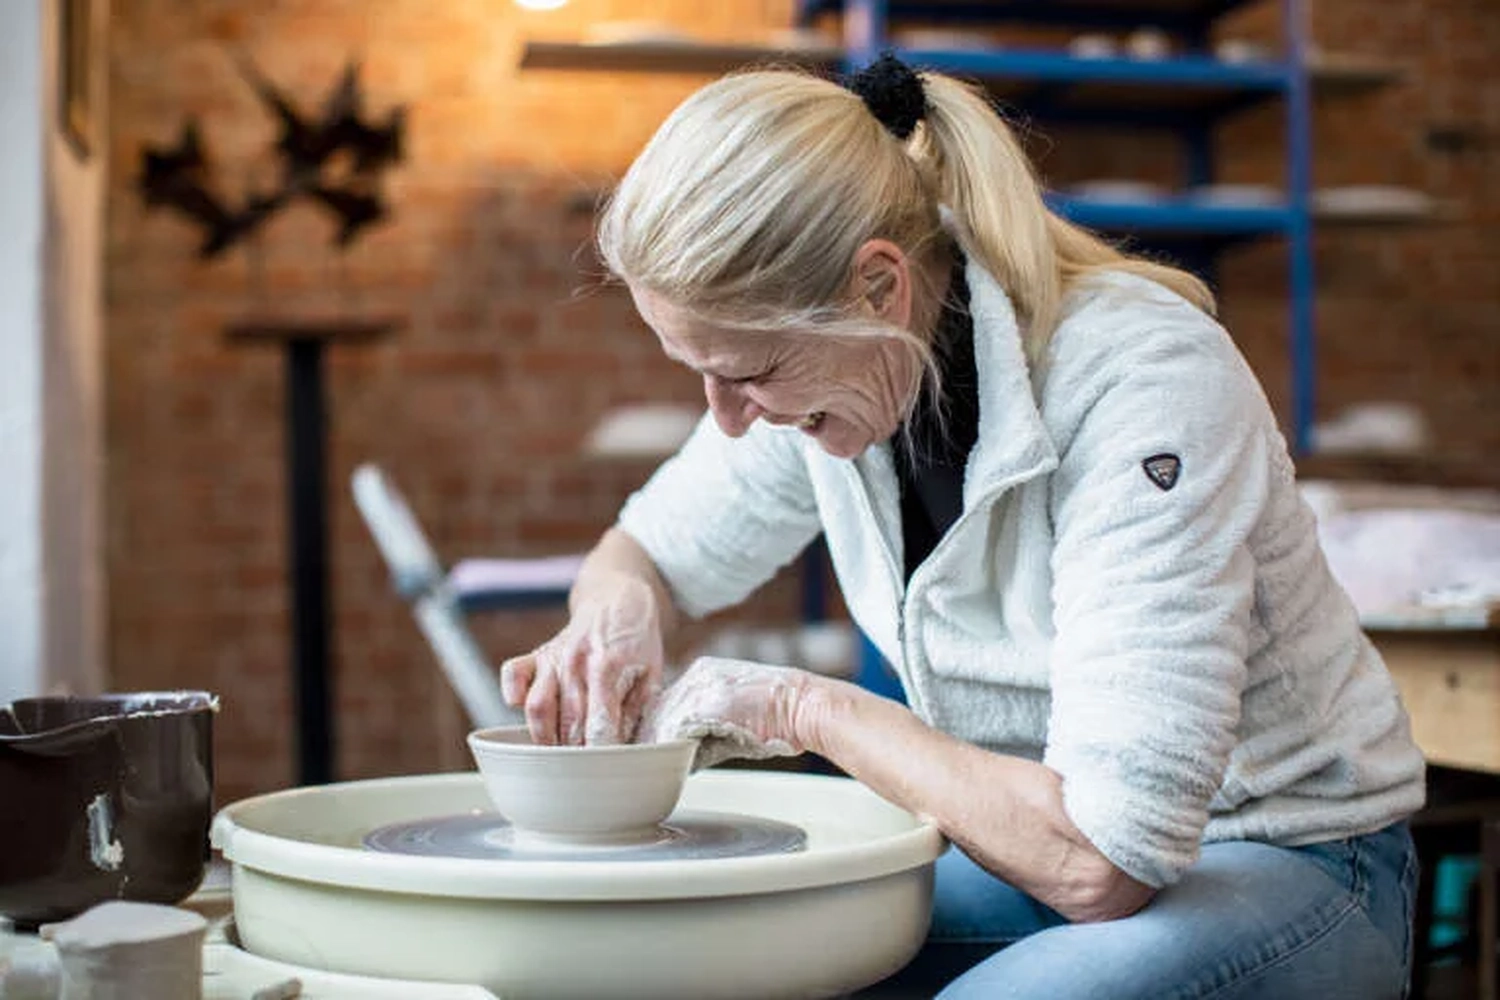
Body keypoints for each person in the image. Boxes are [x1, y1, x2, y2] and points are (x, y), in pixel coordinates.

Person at [498, 54, 1426, 999]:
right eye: (702, 372)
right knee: (710, 954)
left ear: (877, 288)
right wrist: (611, 615)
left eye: (748, 372)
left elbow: (1104, 862)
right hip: (1031, 855)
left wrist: (802, 708)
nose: (728, 416)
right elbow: (646, 551)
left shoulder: (1142, 382)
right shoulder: (823, 374)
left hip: (1292, 856)